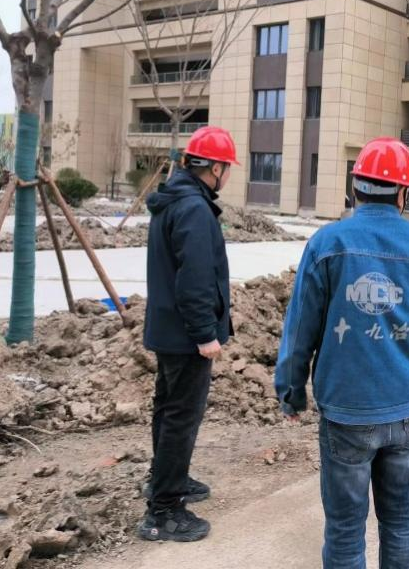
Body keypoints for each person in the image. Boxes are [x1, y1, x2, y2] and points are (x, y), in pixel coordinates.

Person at [275, 137, 409, 569]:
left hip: (347, 413)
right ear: (404, 193)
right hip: (404, 412)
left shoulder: (327, 244)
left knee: (344, 529)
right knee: (400, 521)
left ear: (355, 188)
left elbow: (300, 328)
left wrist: (291, 390)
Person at [137, 126, 239, 542]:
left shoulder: (173, 200)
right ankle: (163, 511)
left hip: (167, 329)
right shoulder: (194, 209)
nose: (228, 174)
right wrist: (204, 333)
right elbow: (195, 279)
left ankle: (164, 479)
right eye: (227, 168)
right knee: (181, 417)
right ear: (214, 169)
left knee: (167, 410)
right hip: (185, 336)